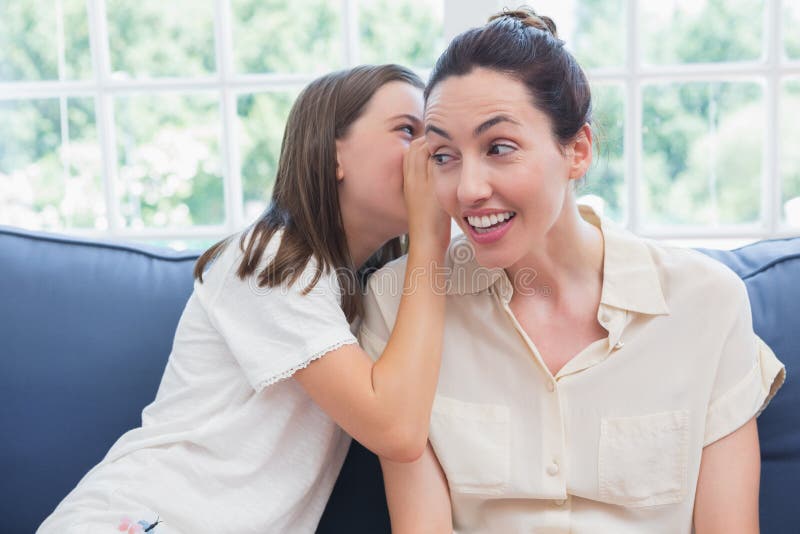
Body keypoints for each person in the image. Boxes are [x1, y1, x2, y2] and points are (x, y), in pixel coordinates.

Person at [358, 9, 786, 533]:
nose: (468, 189)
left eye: (499, 148)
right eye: (444, 156)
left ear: (577, 150)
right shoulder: (398, 301)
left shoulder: (706, 303)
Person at [38, 64, 450, 533]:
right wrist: (430, 239)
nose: (429, 152)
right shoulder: (272, 260)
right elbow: (396, 429)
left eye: (435, 138)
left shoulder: (367, 290)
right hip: (141, 517)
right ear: (333, 154)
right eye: (407, 131)